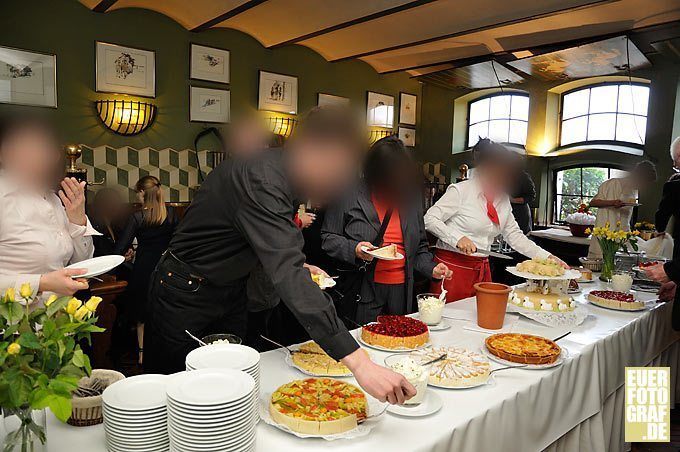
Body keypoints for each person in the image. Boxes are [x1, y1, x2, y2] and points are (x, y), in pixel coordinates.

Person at [145, 107, 416, 405]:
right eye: (335, 171)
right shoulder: (262, 178)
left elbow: (269, 245)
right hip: (185, 291)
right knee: (173, 393)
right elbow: (288, 275)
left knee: (230, 389)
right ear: (309, 151)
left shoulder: (286, 179)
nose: (338, 184)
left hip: (232, 291)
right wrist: (361, 364)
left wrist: (301, 263)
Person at [321, 136, 451, 323]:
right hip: (363, 290)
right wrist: (355, 249)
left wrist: (432, 268)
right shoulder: (348, 192)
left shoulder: (410, 196)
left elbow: (419, 247)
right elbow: (328, 237)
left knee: (398, 343)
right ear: (374, 173)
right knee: (363, 342)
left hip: (402, 292)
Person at [424, 139, 565, 302]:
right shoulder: (461, 191)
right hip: (451, 269)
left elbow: (515, 236)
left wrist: (547, 258)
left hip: (483, 268)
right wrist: (457, 238)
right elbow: (429, 219)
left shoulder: (503, 199)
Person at [0, 115, 97, 299]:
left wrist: (77, 219)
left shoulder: (53, 199)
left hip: (58, 322)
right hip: (14, 325)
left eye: (43, 147)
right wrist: (42, 283)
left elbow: (82, 263)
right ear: (4, 154)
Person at [114, 176, 178, 365]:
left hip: (143, 271)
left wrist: (125, 256)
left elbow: (118, 250)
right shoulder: (172, 214)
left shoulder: (138, 217)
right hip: (166, 270)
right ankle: (166, 353)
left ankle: (142, 355)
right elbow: (178, 244)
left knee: (141, 316)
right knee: (164, 314)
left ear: (143, 193)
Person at [587, 160, 657, 258]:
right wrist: (613, 202)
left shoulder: (632, 191)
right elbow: (593, 203)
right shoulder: (614, 183)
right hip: (608, 232)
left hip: (623, 234)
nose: (644, 186)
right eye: (645, 182)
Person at [509, 154, 536, 234]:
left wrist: (512, 200)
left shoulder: (524, 177)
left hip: (520, 213)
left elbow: (531, 196)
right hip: (505, 211)